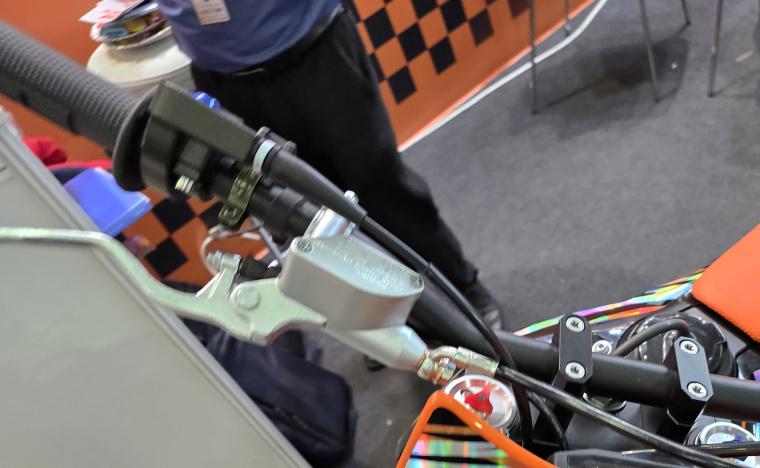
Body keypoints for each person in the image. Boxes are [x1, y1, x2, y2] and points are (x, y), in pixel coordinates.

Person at [155, 0, 504, 328]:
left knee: (381, 188)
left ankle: (462, 295)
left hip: (315, 50)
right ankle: (389, 321)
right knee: (313, 217)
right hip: (225, 79)